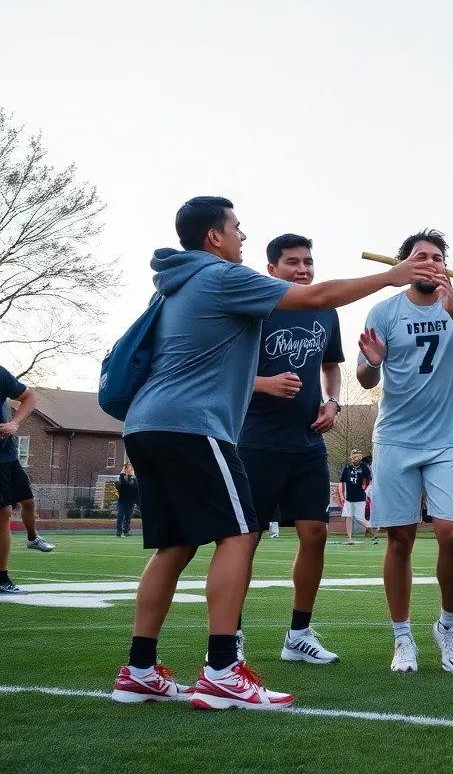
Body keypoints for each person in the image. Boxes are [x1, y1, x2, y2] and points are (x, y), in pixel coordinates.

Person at [111, 196, 434, 709]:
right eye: (237, 228)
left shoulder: (179, 281)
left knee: (173, 547)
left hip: (148, 425)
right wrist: (391, 276)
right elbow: (316, 296)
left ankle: (139, 669)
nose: (241, 235)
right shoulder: (219, 275)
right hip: (192, 427)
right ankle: (222, 669)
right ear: (214, 237)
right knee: (240, 534)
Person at [356, 229, 453, 675]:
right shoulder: (384, 309)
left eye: (438, 257)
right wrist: (373, 362)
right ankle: (402, 638)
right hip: (395, 438)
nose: (432, 263)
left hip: (449, 437)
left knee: (452, 534)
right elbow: (364, 378)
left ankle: (447, 626)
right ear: (405, 266)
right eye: (422, 256)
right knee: (400, 538)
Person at [236, 233, 347, 666]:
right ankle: (231, 634)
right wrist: (265, 383)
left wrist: (333, 403)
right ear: (272, 270)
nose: (302, 269)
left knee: (315, 534)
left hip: (307, 445)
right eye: (292, 263)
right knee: (244, 540)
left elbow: (331, 366)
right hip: (256, 442)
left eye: (308, 262)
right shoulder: (256, 306)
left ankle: (298, 634)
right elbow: (223, 369)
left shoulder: (325, 308)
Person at [1, 367, 56, 594]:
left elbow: (29, 396)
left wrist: (15, 423)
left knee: (28, 501)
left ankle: (33, 538)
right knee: (3, 513)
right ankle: (2, 578)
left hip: (8, 455)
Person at [339, 447, 377, 545]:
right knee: (348, 517)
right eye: (355, 457)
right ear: (351, 457)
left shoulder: (364, 467)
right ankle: (349, 538)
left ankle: (372, 526)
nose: (356, 459)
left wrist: (369, 487)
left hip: (360, 496)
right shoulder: (347, 468)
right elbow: (342, 482)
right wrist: (341, 495)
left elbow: (371, 479)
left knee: (359, 518)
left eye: (358, 457)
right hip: (349, 497)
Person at [116, 463, 139, 538]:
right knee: (120, 517)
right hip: (122, 501)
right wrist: (122, 474)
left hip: (130, 502)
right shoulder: (121, 480)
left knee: (128, 518)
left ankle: (126, 531)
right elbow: (121, 485)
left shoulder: (134, 481)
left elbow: (135, 491)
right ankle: (119, 531)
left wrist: (138, 502)